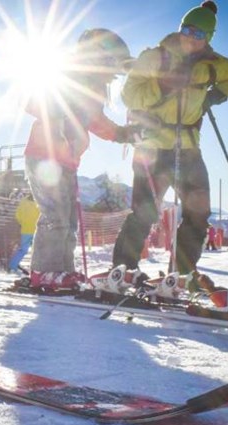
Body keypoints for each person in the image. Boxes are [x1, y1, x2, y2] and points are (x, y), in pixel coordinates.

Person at [110, 1, 228, 281]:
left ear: (208, 38)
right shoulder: (155, 57)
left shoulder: (214, 65)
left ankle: (180, 275)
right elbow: (130, 95)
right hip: (152, 147)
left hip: (189, 150)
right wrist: (163, 85)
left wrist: (215, 95)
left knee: (198, 214)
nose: (190, 37)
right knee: (144, 213)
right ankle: (122, 272)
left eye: (198, 34)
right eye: (187, 29)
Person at [21, 28, 140, 292]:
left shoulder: (92, 93)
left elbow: (98, 123)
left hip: (66, 162)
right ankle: (44, 272)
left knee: (68, 220)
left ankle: (62, 271)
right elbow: (31, 101)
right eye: (112, 69)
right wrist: (56, 115)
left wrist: (124, 134)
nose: (113, 77)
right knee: (55, 216)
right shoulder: (64, 78)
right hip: (44, 158)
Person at [8, 191, 39, 273]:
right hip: (38, 230)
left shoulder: (23, 201)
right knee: (38, 250)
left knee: (23, 250)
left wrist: (23, 223)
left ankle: (12, 266)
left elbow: (18, 215)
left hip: (26, 230)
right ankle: (37, 269)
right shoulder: (40, 202)